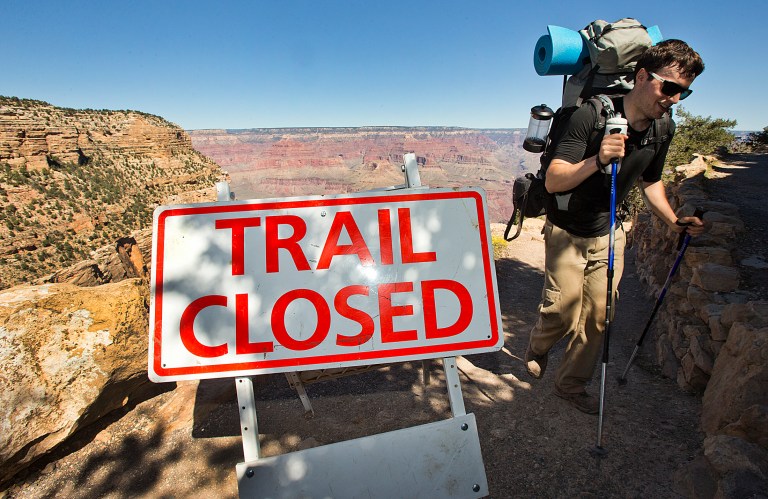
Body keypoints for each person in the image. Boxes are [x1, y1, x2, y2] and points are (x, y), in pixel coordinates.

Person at [525, 39, 706, 414]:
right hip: (567, 230)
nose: (673, 99)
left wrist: (674, 222)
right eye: (669, 88)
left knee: (599, 316)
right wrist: (598, 158)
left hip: (609, 232)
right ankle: (539, 345)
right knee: (561, 310)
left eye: (683, 93)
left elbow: (651, 182)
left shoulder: (662, 129)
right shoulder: (589, 116)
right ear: (642, 76)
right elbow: (555, 180)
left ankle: (570, 385)